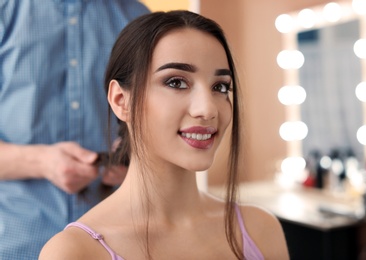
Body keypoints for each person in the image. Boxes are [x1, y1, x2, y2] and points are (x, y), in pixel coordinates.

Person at [39, 10, 289, 260]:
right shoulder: (73, 252)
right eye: (176, 82)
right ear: (121, 101)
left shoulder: (261, 230)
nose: (208, 109)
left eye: (220, 86)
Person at [0, 1, 149, 259]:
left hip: (115, 246)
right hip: (15, 243)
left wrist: (134, 156)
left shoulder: (138, 19)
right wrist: (41, 162)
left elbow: (157, 124)